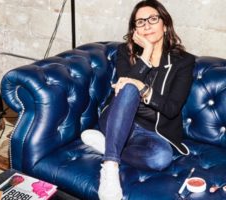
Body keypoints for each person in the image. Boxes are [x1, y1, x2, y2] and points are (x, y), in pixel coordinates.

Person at [81, 0, 195, 199]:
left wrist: (143, 88)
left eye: (152, 19)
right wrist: (147, 53)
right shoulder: (126, 52)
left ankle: (109, 147)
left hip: (150, 132)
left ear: (165, 24)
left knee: (161, 158)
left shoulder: (183, 62)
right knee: (130, 87)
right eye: (140, 22)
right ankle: (110, 168)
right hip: (116, 119)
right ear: (135, 29)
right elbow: (125, 90)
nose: (147, 25)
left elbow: (171, 108)